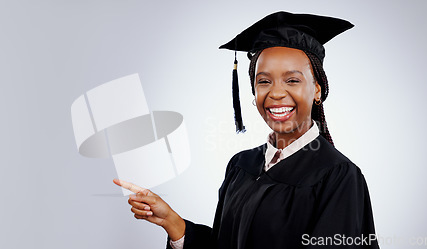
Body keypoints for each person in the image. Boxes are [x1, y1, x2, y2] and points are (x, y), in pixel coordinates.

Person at [114, 11, 379, 249]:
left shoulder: (338, 176)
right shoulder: (242, 165)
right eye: (263, 81)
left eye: (292, 80)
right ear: (253, 91)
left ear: (317, 89)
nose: (275, 92)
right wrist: (172, 222)